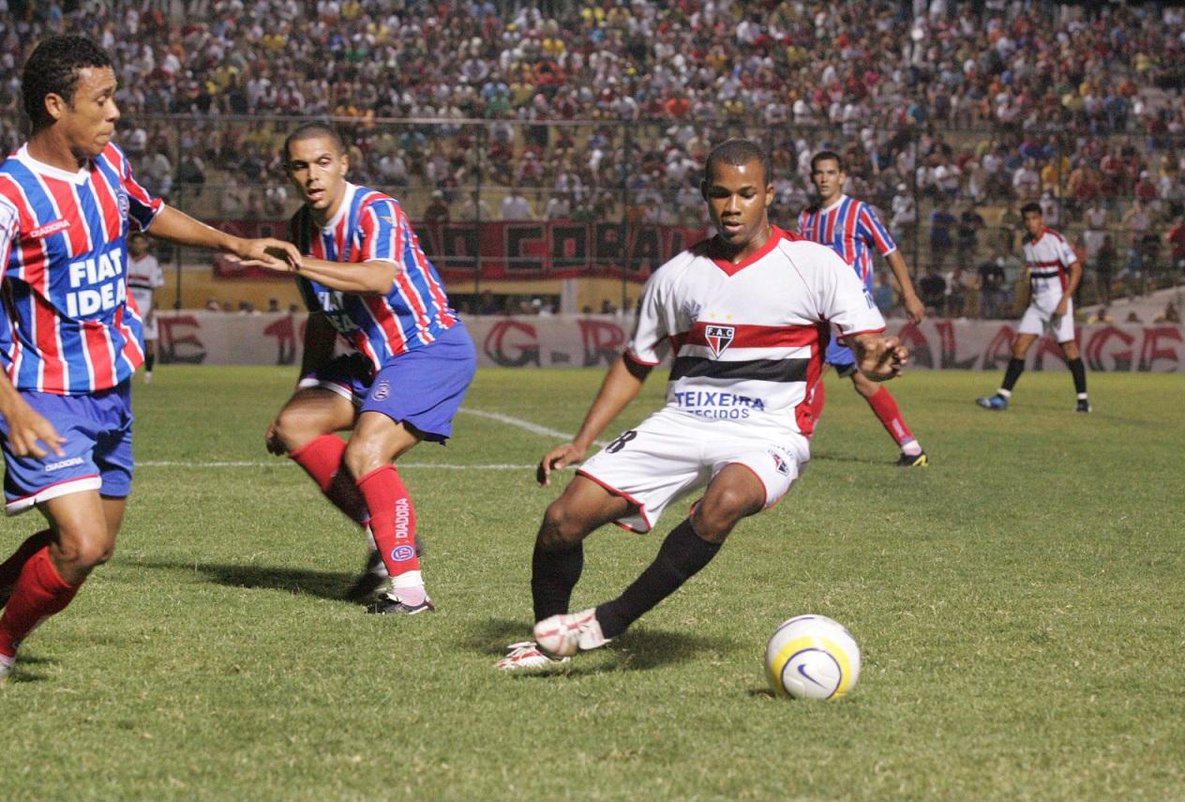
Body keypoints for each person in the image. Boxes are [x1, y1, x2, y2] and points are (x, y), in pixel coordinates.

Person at [495, 139, 909, 670]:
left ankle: (607, 622)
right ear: (704, 197)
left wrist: (875, 357)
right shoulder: (676, 275)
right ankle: (547, 640)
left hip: (769, 431)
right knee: (561, 519)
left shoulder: (815, 265)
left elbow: (867, 341)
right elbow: (635, 362)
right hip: (683, 420)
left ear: (769, 195)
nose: (732, 206)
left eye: (746, 193)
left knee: (724, 501)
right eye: (720, 194)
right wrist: (581, 439)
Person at [0, 36, 298, 682]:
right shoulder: (11, 195)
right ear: (55, 105)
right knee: (82, 545)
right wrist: (9, 404)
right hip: (43, 393)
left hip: (114, 389)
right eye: (101, 100)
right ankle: (1, 646)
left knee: (92, 547)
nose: (115, 113)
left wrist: (233, 243)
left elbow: (150, 211)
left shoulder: (106, 164)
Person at [260, 123, 476, 614]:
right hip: (374, 359)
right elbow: (319, 318)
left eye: (322, 162)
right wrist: (305, 388)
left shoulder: (375, 209)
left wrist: (301, 265)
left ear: (343, 163)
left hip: (428, 349)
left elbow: (379, 277)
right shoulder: (300, 230)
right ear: (288, 173)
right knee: (294, 426)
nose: (312, 175)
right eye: (300, 165)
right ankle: (386, 535)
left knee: (367, 452)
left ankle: (411, 594)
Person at [795, 151, 928, 466]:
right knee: (862, 380)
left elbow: (891, 252)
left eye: (831, 172)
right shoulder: (806, 218)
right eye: (819, 173)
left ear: (842, 176)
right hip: (819, 311)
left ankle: (800, 443)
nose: (824, 178)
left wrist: (909, 294)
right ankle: (911, 447)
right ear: (812, 177)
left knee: (811, 374)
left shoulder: (860, 213)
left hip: (851, 314)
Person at [977, 202, 1091, 414]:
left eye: (1034, 219)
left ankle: (1083, 400)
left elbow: (1075, 269)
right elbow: (1033, 271)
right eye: (1027, 220)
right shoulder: (1027, 243)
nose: (1031, 223)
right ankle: (1002, 397)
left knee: (1069, 349)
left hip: (1058, 301)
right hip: (1038, 305)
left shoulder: (1055, 240)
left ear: (1041, 219)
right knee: (1019, 346)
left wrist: (1065, 299)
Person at [126, 231, 165, 383]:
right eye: (135, 243)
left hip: (145, 304)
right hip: (128, 305)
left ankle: (148, 372)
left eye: (141, 243)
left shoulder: (151, 262)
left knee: (149, 341)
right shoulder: (125, 259)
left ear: (146, 245)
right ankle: (129, 370)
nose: (138, 246)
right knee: (127, 339)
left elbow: (156, 287)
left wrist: (151, 310)